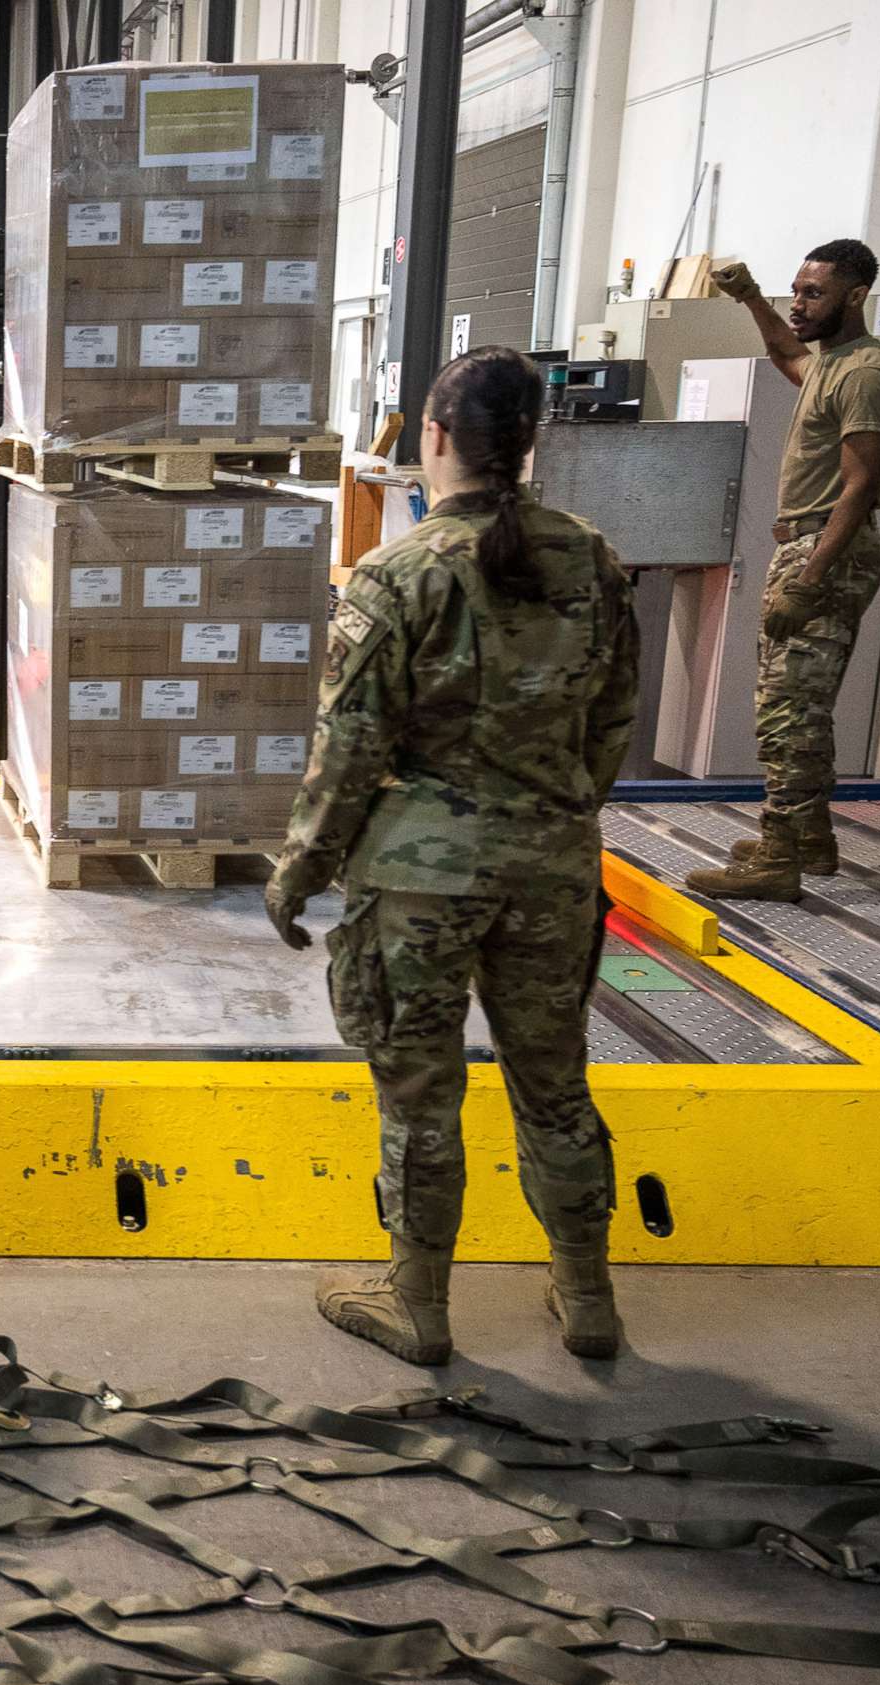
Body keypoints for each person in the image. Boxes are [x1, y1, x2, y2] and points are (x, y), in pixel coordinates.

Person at [266, 347, 640, 1367]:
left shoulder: (400, 574)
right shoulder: (594, 560)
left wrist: (300, 868)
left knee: (421, 1093)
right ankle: (588, 1295)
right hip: (554, 867)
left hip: (421, 881)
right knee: (555, 1083)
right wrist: (557, 813)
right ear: (528, 444)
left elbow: (348, 750)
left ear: (433, 436)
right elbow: (614, 719)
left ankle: (419, 1303)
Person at [686, 242, 880, 900]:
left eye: (814, 293)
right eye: (795, 291)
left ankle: (779, 856)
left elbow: (862, 484)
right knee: (799, 705)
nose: (799, 304)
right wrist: (750, 297)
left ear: (857, 295)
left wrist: (809, 581)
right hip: (807, 548)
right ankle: (810, 839)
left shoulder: (866, 372)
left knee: (788, 714)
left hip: (822, 554)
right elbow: (788, 355)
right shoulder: (832, 364)